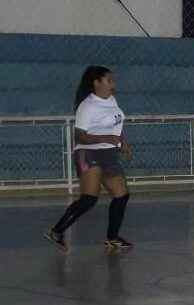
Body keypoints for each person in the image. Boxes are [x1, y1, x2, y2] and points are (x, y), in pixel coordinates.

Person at [44, 65, 133, 252]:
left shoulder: (111, 100)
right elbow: (80, 136)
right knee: (89, 198)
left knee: (122, 194)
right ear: (97, 83)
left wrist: (122, 141)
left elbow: (116, 124)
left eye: (112, 80)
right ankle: (56, 231)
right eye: (109, 81)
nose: (113, 84)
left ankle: (112, 238)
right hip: (88, 153)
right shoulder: (87, 106)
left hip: (109, 153)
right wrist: (107, 138)